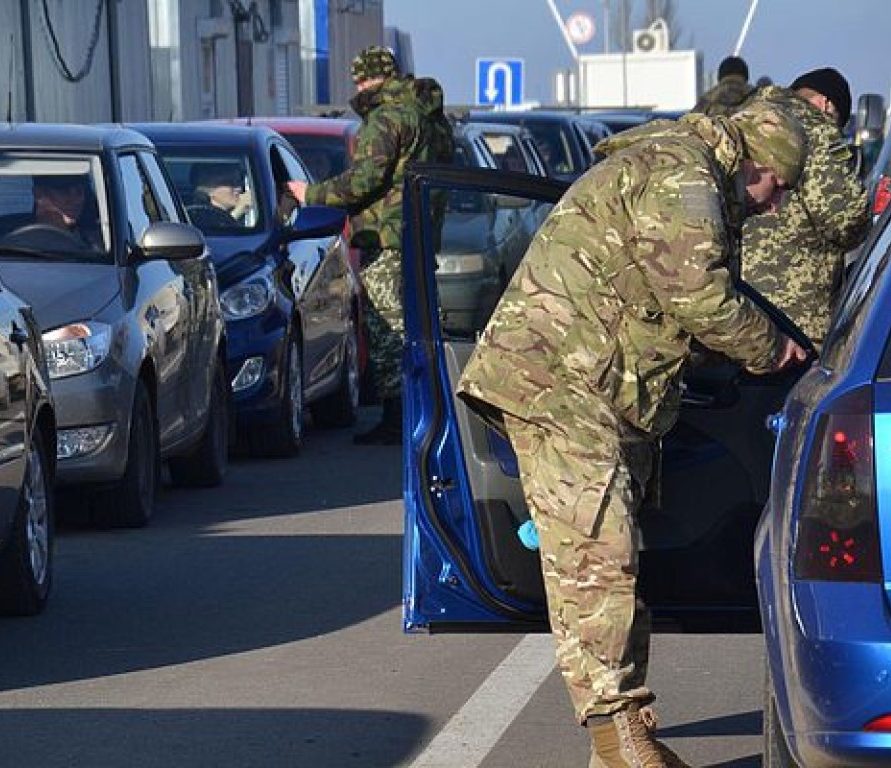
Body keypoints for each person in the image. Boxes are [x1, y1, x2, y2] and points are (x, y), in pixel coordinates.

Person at [456, 101, 809, 768]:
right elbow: (698, 295)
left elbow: (658, 300)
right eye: (777, 187)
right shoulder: (685, 175)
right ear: (756, 163)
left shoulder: (687, 170)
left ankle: (624, 733)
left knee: (611, 555)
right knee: (599, 555)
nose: (776, 206)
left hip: (596, 388)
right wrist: (774, 352)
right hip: (559, 382)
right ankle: (619, 740)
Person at [287, 46, 454, 445]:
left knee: (386, 328)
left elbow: (364, 181)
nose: (358, 87)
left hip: (387, 236)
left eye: (359, 80)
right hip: (420, 233)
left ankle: (398, 418)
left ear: (366, 78)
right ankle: (426, 409)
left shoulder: (385, 119)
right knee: (418, 325)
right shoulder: (429, 118)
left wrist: (310, 193)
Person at [741, 67, 871, 348]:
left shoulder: (745, 118)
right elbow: (846, 218)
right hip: (794, 314)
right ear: (826, 104)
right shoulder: (817, 129)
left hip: (736, 308)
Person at [31, 174, 101, 247]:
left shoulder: (105, 241)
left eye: (79, 190)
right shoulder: (21, 246)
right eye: (64, 190)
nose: (77, 200)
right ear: (38, 194)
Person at [187, 163, 253, 230]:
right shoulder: (197, 215)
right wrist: (239, 210)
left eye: (238, 182)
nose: (239, 188)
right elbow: (212, 235)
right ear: (207, 189)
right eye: (230, 183)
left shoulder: (248, 215)